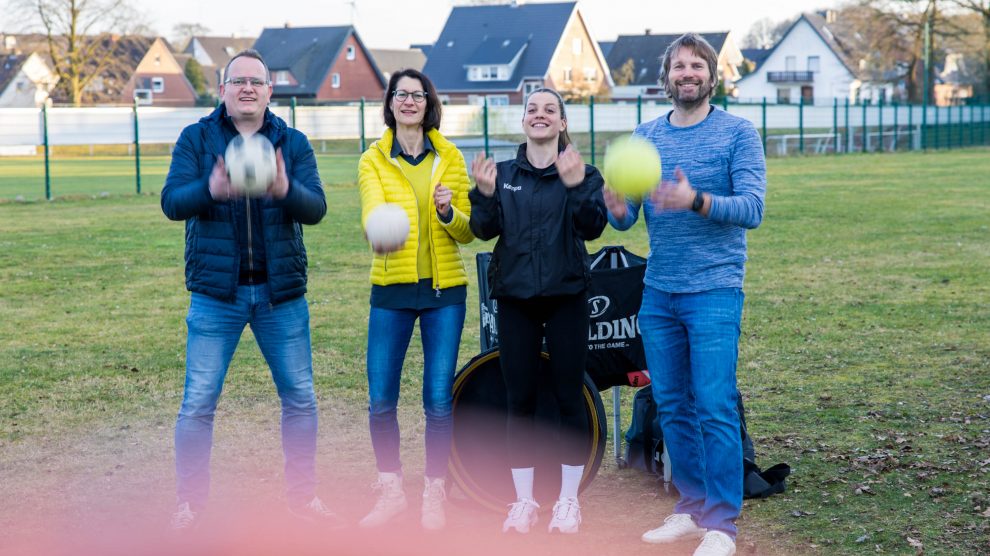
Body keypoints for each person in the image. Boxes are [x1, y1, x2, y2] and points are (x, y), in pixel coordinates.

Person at [604, 33, 766, 556]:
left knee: (714, 404)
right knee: (671, 405)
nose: (687, 73)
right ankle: (692, 507)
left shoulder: (738, 133)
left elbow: (752, 209)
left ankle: (722, 524)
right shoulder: (645, 135)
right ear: (667, 76)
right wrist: (614, 204)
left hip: (715, 290)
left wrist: (694, 199)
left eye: (697, 65)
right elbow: (628, 218)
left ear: (712, 77)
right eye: (679, 66)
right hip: (659, 293)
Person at [161, 49, 334, 531]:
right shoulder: (197, 139)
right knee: (198, 402)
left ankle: (303, 500)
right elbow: (171, 202)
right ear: (223, 90)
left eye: (256, 82)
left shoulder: (291, 142)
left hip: (281, 297)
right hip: (217, 295)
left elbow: (316, 208)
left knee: (299, 398)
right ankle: (190, 505)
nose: (247, 89)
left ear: (269, 91)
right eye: (237, 81)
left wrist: (285, 190)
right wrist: (209, 191)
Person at [469, 88, 607, 535]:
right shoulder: (504, 173)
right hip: (515, 301)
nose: (541, 115)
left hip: (567, 297)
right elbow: (482, 229)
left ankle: (568, 502)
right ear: (524, 121)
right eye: (533, 109)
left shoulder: (583, 173)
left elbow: (593, 226)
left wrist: (574, 187)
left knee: (569, 397)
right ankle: (524, 502)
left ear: (563, 123)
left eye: (551, 110)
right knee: (520, 400)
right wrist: (485, 194)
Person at [356, 68, 474, 531]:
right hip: (392, 292)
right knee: (381, 400)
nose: (409, 101)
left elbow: (466, 231)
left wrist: (447, 211)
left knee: (438, 401)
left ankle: (433, 491)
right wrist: (379, 228)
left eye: (417, 94)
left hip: (446, 295)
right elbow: (371, 213)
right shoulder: (373, 160)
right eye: (400, 94)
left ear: (429, 102)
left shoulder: (451, 157)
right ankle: (390, 491)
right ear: (389, 103)